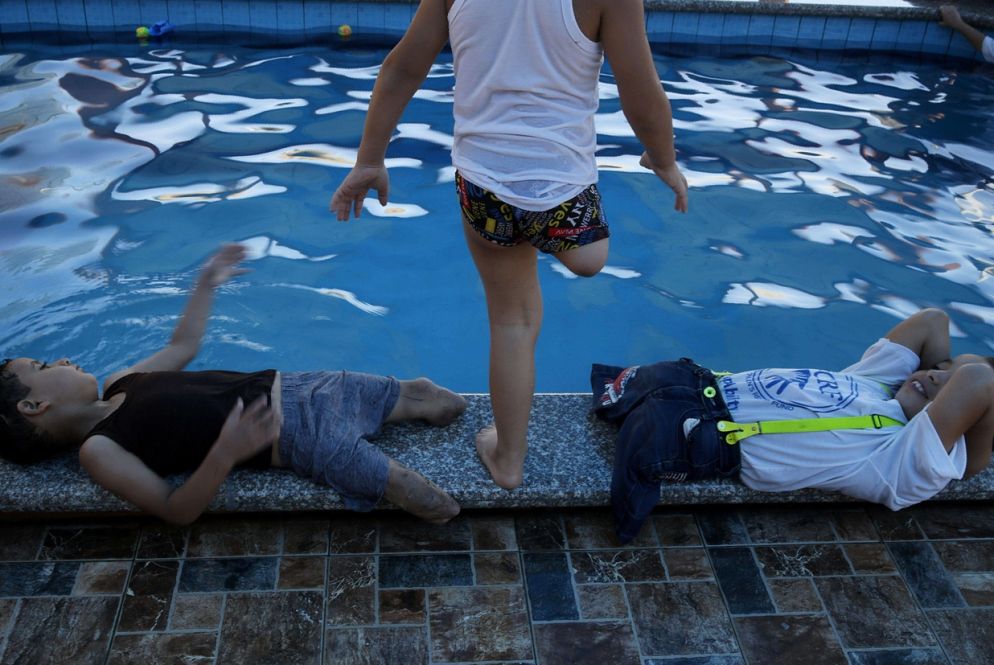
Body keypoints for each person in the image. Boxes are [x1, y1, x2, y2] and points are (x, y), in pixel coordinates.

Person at [330, 0, 689, 490]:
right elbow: (640, 89)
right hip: (562, 190)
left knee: (512, 320)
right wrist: (663, 158)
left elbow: (403, 67)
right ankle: (581, 252)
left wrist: (369, 159)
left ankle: (507, 459)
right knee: (583, 259)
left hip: (484, 187)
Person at [0, 244, 466, 525]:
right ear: (34, 405)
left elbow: (182, 347)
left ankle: (472, 430)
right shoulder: (98, 451)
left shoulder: (121, 380)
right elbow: (175, 509)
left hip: (309, 386)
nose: (59, 359)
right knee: (417, 493)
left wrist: (206, 283)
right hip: (299, 437)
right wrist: (227, 451)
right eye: (43, 365)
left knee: (434, 397)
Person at [592, 308, 994, 542]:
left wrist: (957, 402)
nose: (937, 377)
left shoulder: (903, 458)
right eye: (940, 368)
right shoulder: (878, 382)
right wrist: (934, 378)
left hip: (698, 431)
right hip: (698, 388)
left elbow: (978, 382)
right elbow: (933, 321)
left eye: (948, 387)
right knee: (646, 380)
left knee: (649, 427)